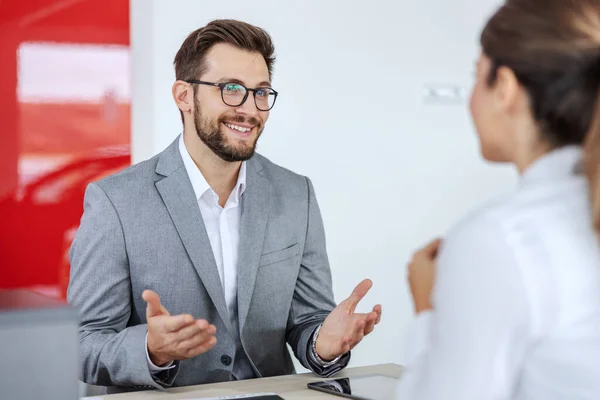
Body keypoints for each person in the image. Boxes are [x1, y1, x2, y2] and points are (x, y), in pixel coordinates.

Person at [67, 19, 381, 393]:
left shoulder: (297, 194)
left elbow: (308, 321)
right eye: (231, 89)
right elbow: (82, 343)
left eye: (260, 92)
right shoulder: (116, 201)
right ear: (184, 96)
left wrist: (322, 347)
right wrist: (150, 351)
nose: (250, 109)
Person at [396, 0, 600, 398]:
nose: (470, 97)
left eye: (476, 76)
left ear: (504, 87)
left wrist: (428, 309)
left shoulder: (500, 239)